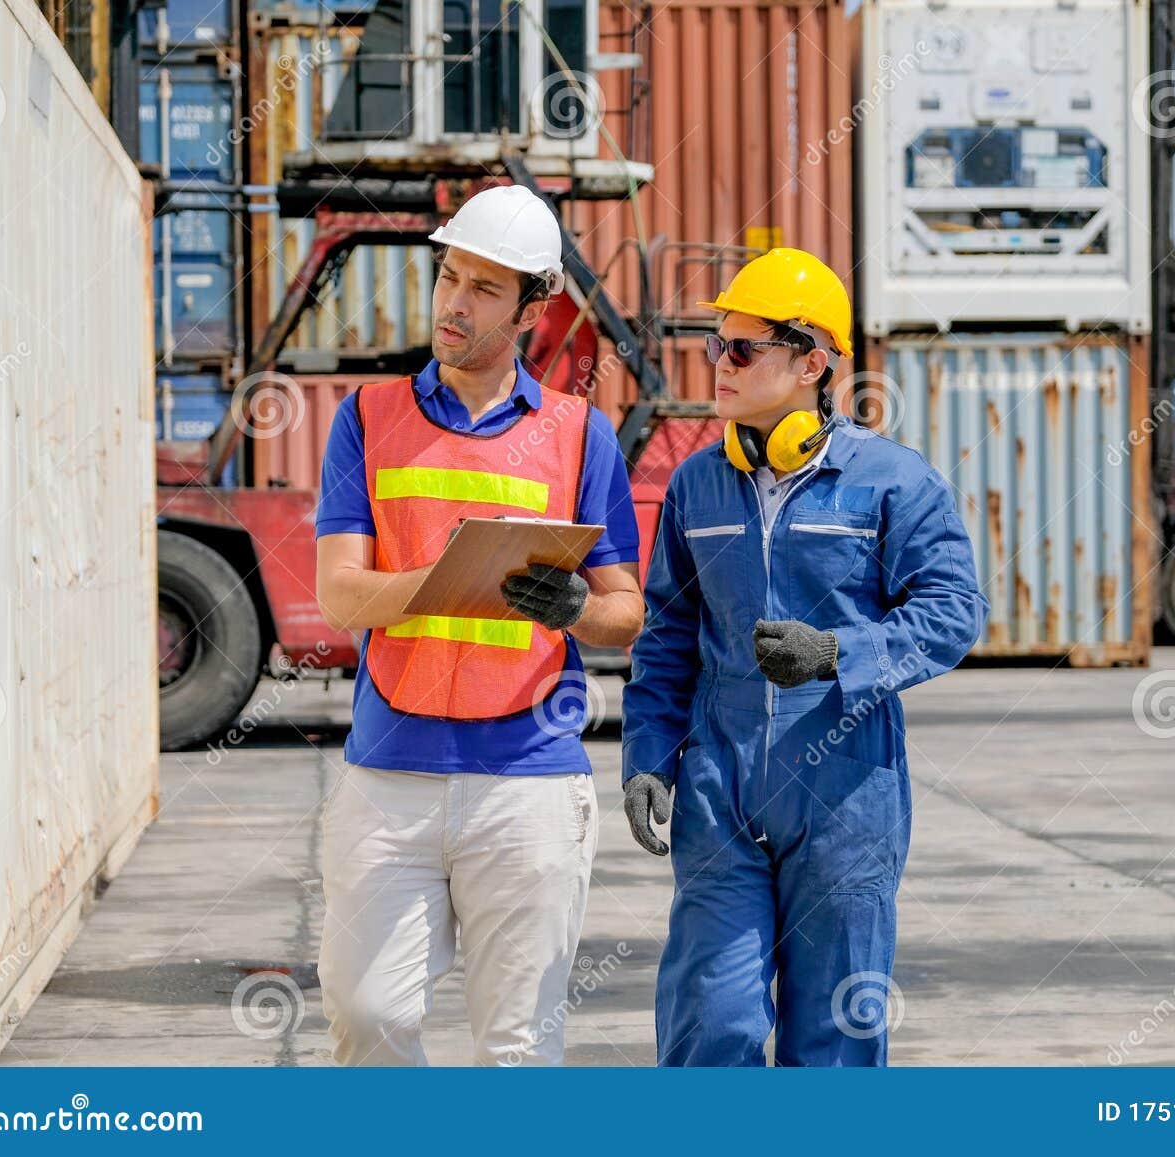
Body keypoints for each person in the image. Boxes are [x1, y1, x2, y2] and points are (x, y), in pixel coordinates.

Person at [620, 247, 987, 1066]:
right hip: (721, 791)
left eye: (743, 348)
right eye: (717, 344)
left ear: (812, 363)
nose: (719, 363)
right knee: (710, 1022)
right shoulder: (696, 487)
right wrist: (648, 753)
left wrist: (839, 653)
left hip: (846, 795)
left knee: (835, 1042)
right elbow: (668, 635)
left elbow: (956, 611)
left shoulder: (893, 483)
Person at [312, 184, 644, 1066]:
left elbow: (628, 612)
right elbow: (341, 593)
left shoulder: (580, 435)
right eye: (450, 277)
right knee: (365, 1013)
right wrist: (442, 582)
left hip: (527, 781)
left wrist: (576, 609)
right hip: (390, 772)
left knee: (518, 1048)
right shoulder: (367, 420)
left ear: (535, 307)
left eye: (486, 289)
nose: (455, 303)